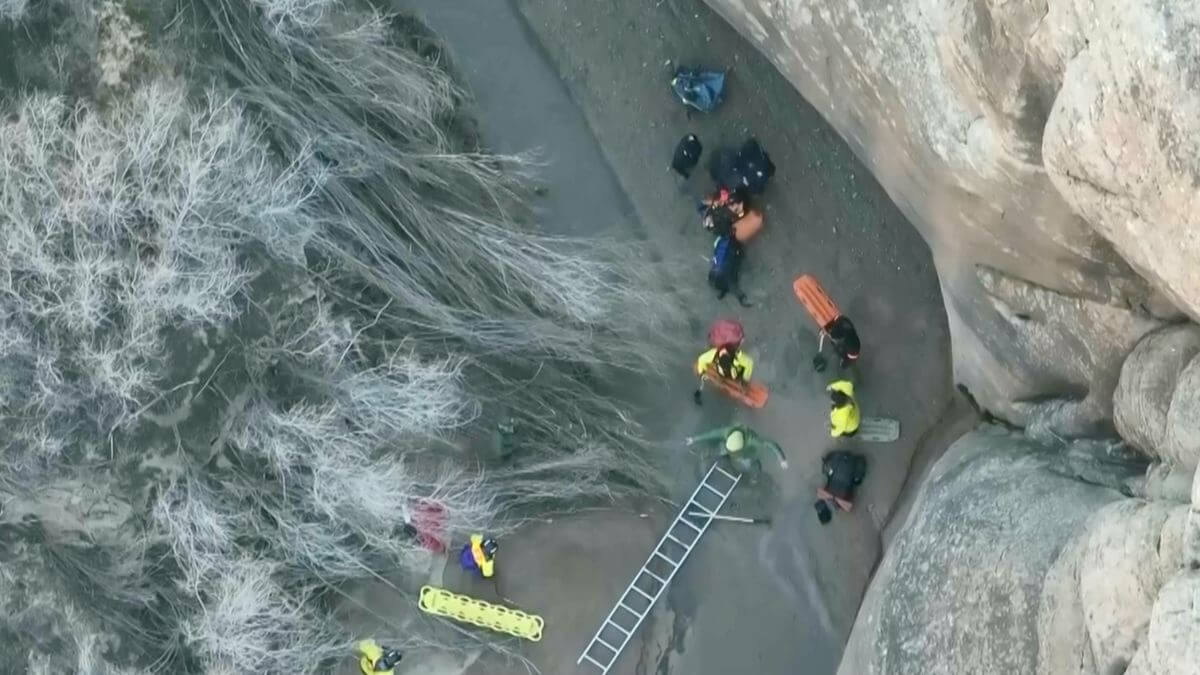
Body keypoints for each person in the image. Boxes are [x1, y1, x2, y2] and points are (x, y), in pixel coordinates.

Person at [685, 424, 788, 479]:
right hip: (730, 447)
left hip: (745, 452)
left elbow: (770, 444)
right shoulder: (726, 433)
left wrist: (782, 459)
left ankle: (755, 476)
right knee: (721, 451)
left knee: (750, 464)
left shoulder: (753, 441)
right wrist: (694, 439)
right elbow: (711, 434)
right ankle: (714, 455)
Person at [815, 450, 867, 522]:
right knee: (855, 479)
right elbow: (848, 506)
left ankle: (849, 460)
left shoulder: (833, 503)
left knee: (857, 480)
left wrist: (832, 498)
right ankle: (846, 459)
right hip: (843, 465)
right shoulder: (832, 502)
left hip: (847, 465)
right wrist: (833, 499)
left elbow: (849, 507)